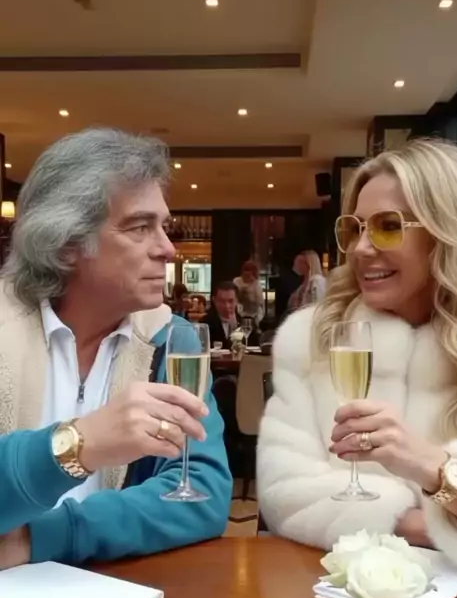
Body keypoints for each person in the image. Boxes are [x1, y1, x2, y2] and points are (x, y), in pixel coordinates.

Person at [0, 127, 232, 570]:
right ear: (68, 244)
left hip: (116, 596)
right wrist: (80, 445)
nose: (168, 249)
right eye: (140, 227)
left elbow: (202, 491)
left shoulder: (173, 340)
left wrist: (42, 538)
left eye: (164, 227)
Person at [258, 138, 457, 575]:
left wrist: (436, 470)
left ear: (449, 233)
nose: (360, 248)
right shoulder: (313, 338)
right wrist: (425, 524)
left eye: (388, 226)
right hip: (333, 593)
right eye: (355, 228)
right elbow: (284, 492)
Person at [201, 281, 259, 349]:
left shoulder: (247, 324)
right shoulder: (205, 323)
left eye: (231, 301)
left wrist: (235, 328)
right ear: (214, 300)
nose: (226, 306)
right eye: (221, 301)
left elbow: (255, 347)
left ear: (237, 301)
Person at [233, 260, 264, 325]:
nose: (247, 274)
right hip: (239, 310)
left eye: (250, 272)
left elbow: (259, 302)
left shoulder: (257, 284)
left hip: (254, 311)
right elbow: (234, 296)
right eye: (246, 270)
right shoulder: (236, 281)